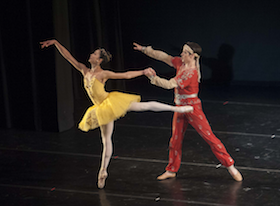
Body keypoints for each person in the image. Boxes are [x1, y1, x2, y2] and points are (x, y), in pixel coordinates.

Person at [40, 39, 193, 189]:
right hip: (101, 108)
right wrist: (55, 43)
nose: (91, 55)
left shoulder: (103, 74)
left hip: (111, 102)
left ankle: (178, 109)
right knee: (106, 141)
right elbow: (68, 57)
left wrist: (143, 71)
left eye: (94, 54)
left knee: (143, 106)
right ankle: (103, 171)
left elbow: (125, 75)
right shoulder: (84, 70)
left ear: (99, 60)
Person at [134, 42, 242, 182]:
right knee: (175, 140)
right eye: (182, 51)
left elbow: (169, 84)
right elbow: (164, 57)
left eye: (185, 52)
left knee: (209, 138)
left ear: (193, 56)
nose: (181, 54)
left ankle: (230, 165)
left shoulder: (190, 73)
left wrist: (152, 78)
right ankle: (171, 170)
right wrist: (145, 50)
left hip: (192, 109)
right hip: (179, 108)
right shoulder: (181, 63)